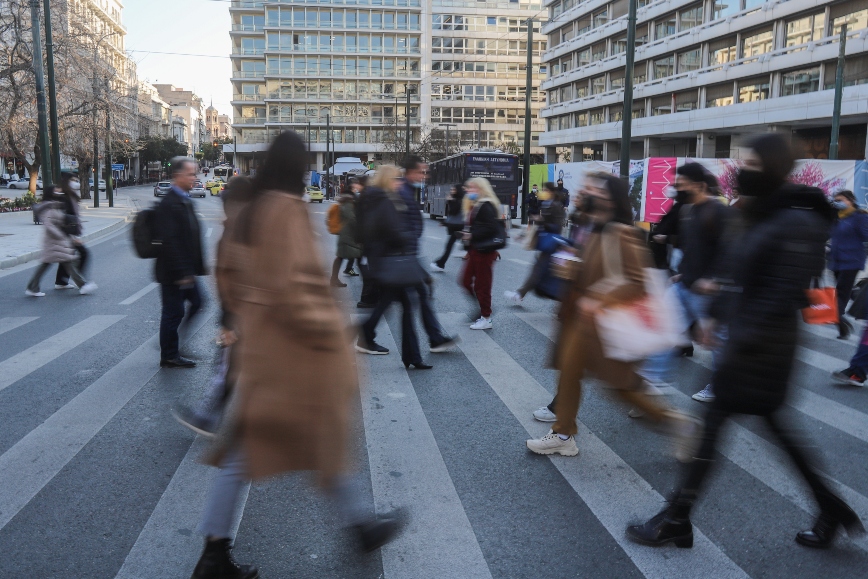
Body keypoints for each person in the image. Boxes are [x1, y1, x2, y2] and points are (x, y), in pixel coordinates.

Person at [627, 133, 864, 551]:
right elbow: (737, 272)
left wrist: (735, 335)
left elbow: (777, 293)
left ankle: (676, 518)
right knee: (775, 432)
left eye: (752, 164)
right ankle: (831, 509)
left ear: (772, 167)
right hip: (752, 340)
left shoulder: (795, 220)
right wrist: (716, 316)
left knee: (717, 428)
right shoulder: (760, 212)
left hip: (764, 347)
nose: (743, 171)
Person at [190, 132, 402, 579]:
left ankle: (358, 524)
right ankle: (359, 525)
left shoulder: (247, 213)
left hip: (262, 348)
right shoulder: (285, 209)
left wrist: (247, 315)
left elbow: (225, 274)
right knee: (318, 435)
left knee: (262, 446)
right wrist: (330, 331)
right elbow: (297, 286)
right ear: (298, 167)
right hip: (295, 351)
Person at [524, 173, 698, 458]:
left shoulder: (621, 232)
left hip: (606, 326)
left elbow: (637, 281)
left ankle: (677, 424)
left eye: (595, 189)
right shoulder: (593, 227)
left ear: (610, 198)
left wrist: (600, 297)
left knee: (621, 388)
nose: (586, 191)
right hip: (582, 324)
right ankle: (563, 434)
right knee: (569, 374)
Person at [640, 163, 735, 402]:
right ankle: (652, 378)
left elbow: (731, 251)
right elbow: (693, 249)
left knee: (717, 342)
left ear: (699, 185)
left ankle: (721, 386)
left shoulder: (718, 212)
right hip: (684, 284)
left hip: (706, 291)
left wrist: (715, 279)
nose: (677, 189)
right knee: (665, 326)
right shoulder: (689, 210)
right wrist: (682, 273)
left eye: (682, 185)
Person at [173, 176, 254, 436]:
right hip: (253, 313)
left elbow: (232, 278)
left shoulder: (236, 231)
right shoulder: (249, 227)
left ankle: (206, 418)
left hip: (244, 314)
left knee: (227, 367)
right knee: (231, 366)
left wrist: (229, 321)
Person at [357, 166, 456, 366]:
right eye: (396, 178)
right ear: (387, 179)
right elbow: (393, 232)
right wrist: (408, 236)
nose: (399, 182)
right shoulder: (384, 201)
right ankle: (409, 353)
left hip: (389, 261)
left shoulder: (377, 199)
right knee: (407, 304)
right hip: (392, 261)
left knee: (402, 304)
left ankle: (410, 355)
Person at [155, 157, 206, 369]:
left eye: (195, 173)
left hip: (186, 269)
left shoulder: (184, 199)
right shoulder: (170, 204)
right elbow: (170, 242)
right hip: (174, 272)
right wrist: (183, 272)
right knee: (173, 312)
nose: (194, 178)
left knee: (198, 303)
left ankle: (174, 342)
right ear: (178, 176)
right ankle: (169, 354)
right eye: (191, 174)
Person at [25, 186, 96, 297]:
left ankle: (32, 287)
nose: (59, 192)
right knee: (66, 261)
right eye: (56, 190)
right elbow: (49, 225)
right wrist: (60, 235)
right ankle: (83, 285)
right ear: (50, 193)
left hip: (57, 240)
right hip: (53, 241)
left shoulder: (54, 205)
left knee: (52, 263)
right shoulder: (48, 207)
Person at [505, 182, 566, 305]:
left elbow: (557, 227)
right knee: (541, 271)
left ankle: (520, 294)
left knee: (539, 271)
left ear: (551, 192)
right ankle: (521, 293)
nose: (543, 192)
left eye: (545, 190)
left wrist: (542, 221)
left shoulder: (556, 206)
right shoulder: (545, 204)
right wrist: (523, 234)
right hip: (545, 242)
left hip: (551, 244)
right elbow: (536, 225)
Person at [461, 177, 502, 330]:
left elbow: (490, 228)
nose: (469, 191)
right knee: (465, 281)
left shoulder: (486, 205)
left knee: (482, 285)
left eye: (473, 188)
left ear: (482, 189)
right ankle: (482, 309)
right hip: (475, 250)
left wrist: (472, 235)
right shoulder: (476, 205)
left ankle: (486, 317)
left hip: (484, 251)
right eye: (469, 188)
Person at [827, 189, 868, 339]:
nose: (838, 202)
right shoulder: (838, 217)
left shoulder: (859, 217)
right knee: (841, 292)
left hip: (852, 261)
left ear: (850, 200)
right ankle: (852, 297)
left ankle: (841, 325)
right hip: (837, 261)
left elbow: (866, 235)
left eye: (841, 200)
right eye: (836, 200)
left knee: (840, 293)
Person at [54, 173, 89, 290]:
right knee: (83, 253)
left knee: (66, 257)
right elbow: (64, 217)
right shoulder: (64, 196)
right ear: (67, 181)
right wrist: (73, 235)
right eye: (73, 180)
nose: (76, 182)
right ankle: (80, 280)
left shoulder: (71, 195)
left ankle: (61, 281)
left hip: (69, 231)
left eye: (77, 180)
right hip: (66, 232)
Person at [330, 185, 362, 287]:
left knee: (341, 257)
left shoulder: (343, 202)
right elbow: (351, 218)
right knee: (351, 256)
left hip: (344, 235)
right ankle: (334, 279)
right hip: (347, 236)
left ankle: (334, 278)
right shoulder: (348, 203)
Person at [430, 184, 466, 272]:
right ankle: (440, 263)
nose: (452, 191)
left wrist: (450, 201)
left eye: (454, 189)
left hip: (458, 227)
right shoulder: (456, 200)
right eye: (452, 189)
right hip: (456, 226)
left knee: (449, 245)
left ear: (458, 190)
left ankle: (440, 263)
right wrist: (444, 223)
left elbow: (454, 213)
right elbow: (452, 216)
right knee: (451, 245)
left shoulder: (459, 201)